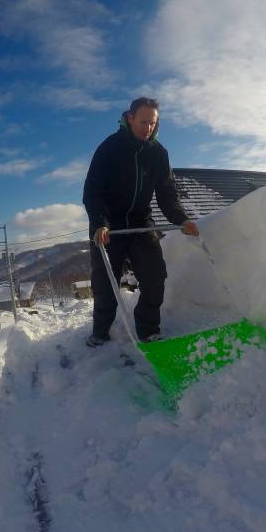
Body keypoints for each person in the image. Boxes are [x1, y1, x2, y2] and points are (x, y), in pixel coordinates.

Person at [82, 97, 199, 347]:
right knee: (105, 283)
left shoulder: (158, 153)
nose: (148, 128)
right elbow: (93, 192)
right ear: (130, 118)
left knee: (155, 275)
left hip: (140, 221)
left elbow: (167, 194)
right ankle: (100, 332)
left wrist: (182, 219)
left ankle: (148, 331)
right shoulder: (110, 148)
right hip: (108, 225)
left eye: (153, 123)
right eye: (143, 121)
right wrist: (100, 223)